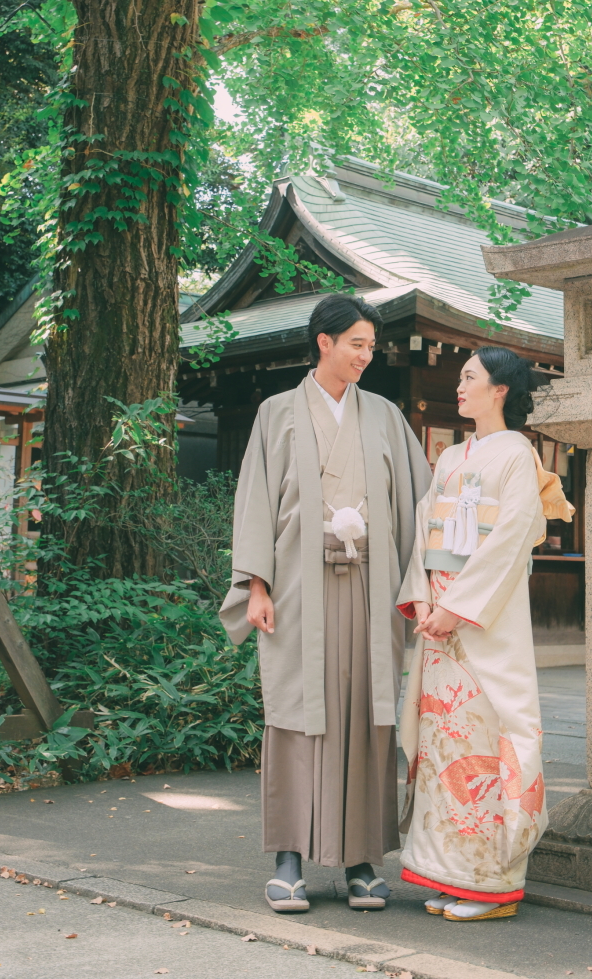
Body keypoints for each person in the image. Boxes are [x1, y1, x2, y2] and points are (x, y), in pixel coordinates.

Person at [219, 294, 431, 913]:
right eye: (357, 344)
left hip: (371, 584)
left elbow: (421, 500)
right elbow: (256, 497)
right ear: (324, 343)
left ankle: (363, 860)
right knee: (295, 709)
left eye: (371, 346)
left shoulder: (386, 416)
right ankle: (289, 859)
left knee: (366, 711)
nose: (367, 355)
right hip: (295, 586)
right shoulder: (277, 412)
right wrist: (255, 585)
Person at [396, 346, 573, 922]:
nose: (460, 385)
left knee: (486, 737)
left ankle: (491, 882)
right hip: (440, 612)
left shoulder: (518, 453)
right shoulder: (450, 457)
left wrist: (457, 606)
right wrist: (425, 596)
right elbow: (426, 528)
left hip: (482, 617)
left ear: (500, 390)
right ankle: (451, 873)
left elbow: (514, 534)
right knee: (444, 740)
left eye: (470, 377)